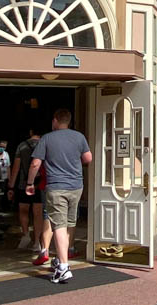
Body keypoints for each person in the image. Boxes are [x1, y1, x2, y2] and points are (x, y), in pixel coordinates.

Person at [26, 108, 92, 283]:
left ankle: (63, 267)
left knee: (59, 226)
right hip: (76, 186)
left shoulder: (47, 138)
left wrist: (30, 183)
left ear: (55, 120)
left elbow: (35, 163)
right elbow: (88, 158)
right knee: (70, 223)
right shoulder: (79, 137)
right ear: (68, 121)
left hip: (56, 187)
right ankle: (62, 257)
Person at [7, 130, 43, 250]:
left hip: (24, 184)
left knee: (23, 210)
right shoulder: (44, 144)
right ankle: (37, 241)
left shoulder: (22, 146)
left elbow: (16, 168)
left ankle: (26, 234)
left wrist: (11, 186)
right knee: (38, 213)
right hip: (39, 184)